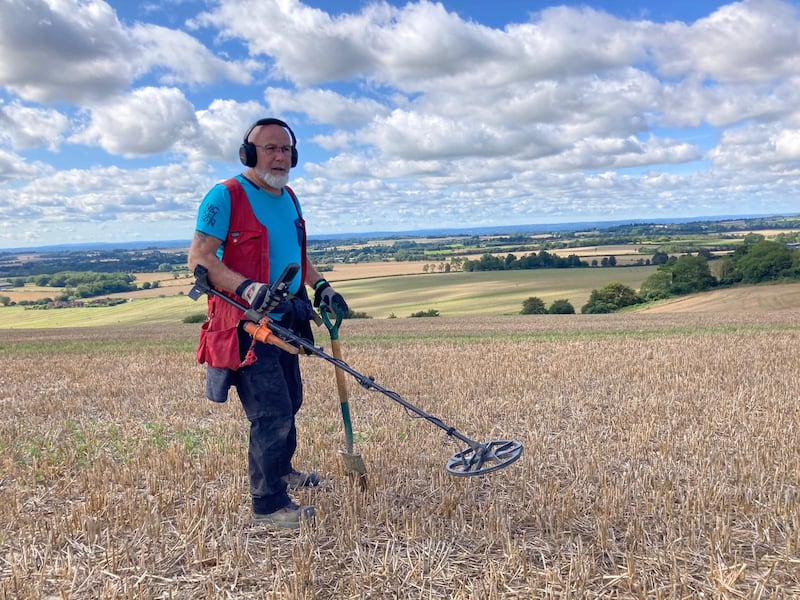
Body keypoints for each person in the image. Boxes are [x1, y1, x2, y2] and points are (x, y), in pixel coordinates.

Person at [188, 117, 349, 529]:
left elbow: (296, 255)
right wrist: (246, 288)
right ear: (249, 153)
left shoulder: (289, 197)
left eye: (285, 150)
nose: (279, 157)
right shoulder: (224, 196)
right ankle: (268, 504)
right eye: (270, 149)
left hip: (288, 321)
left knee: (291, 401)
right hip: (248, 326)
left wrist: (322, 286)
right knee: (271, 413)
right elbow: (201, 260)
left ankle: (282, 469)